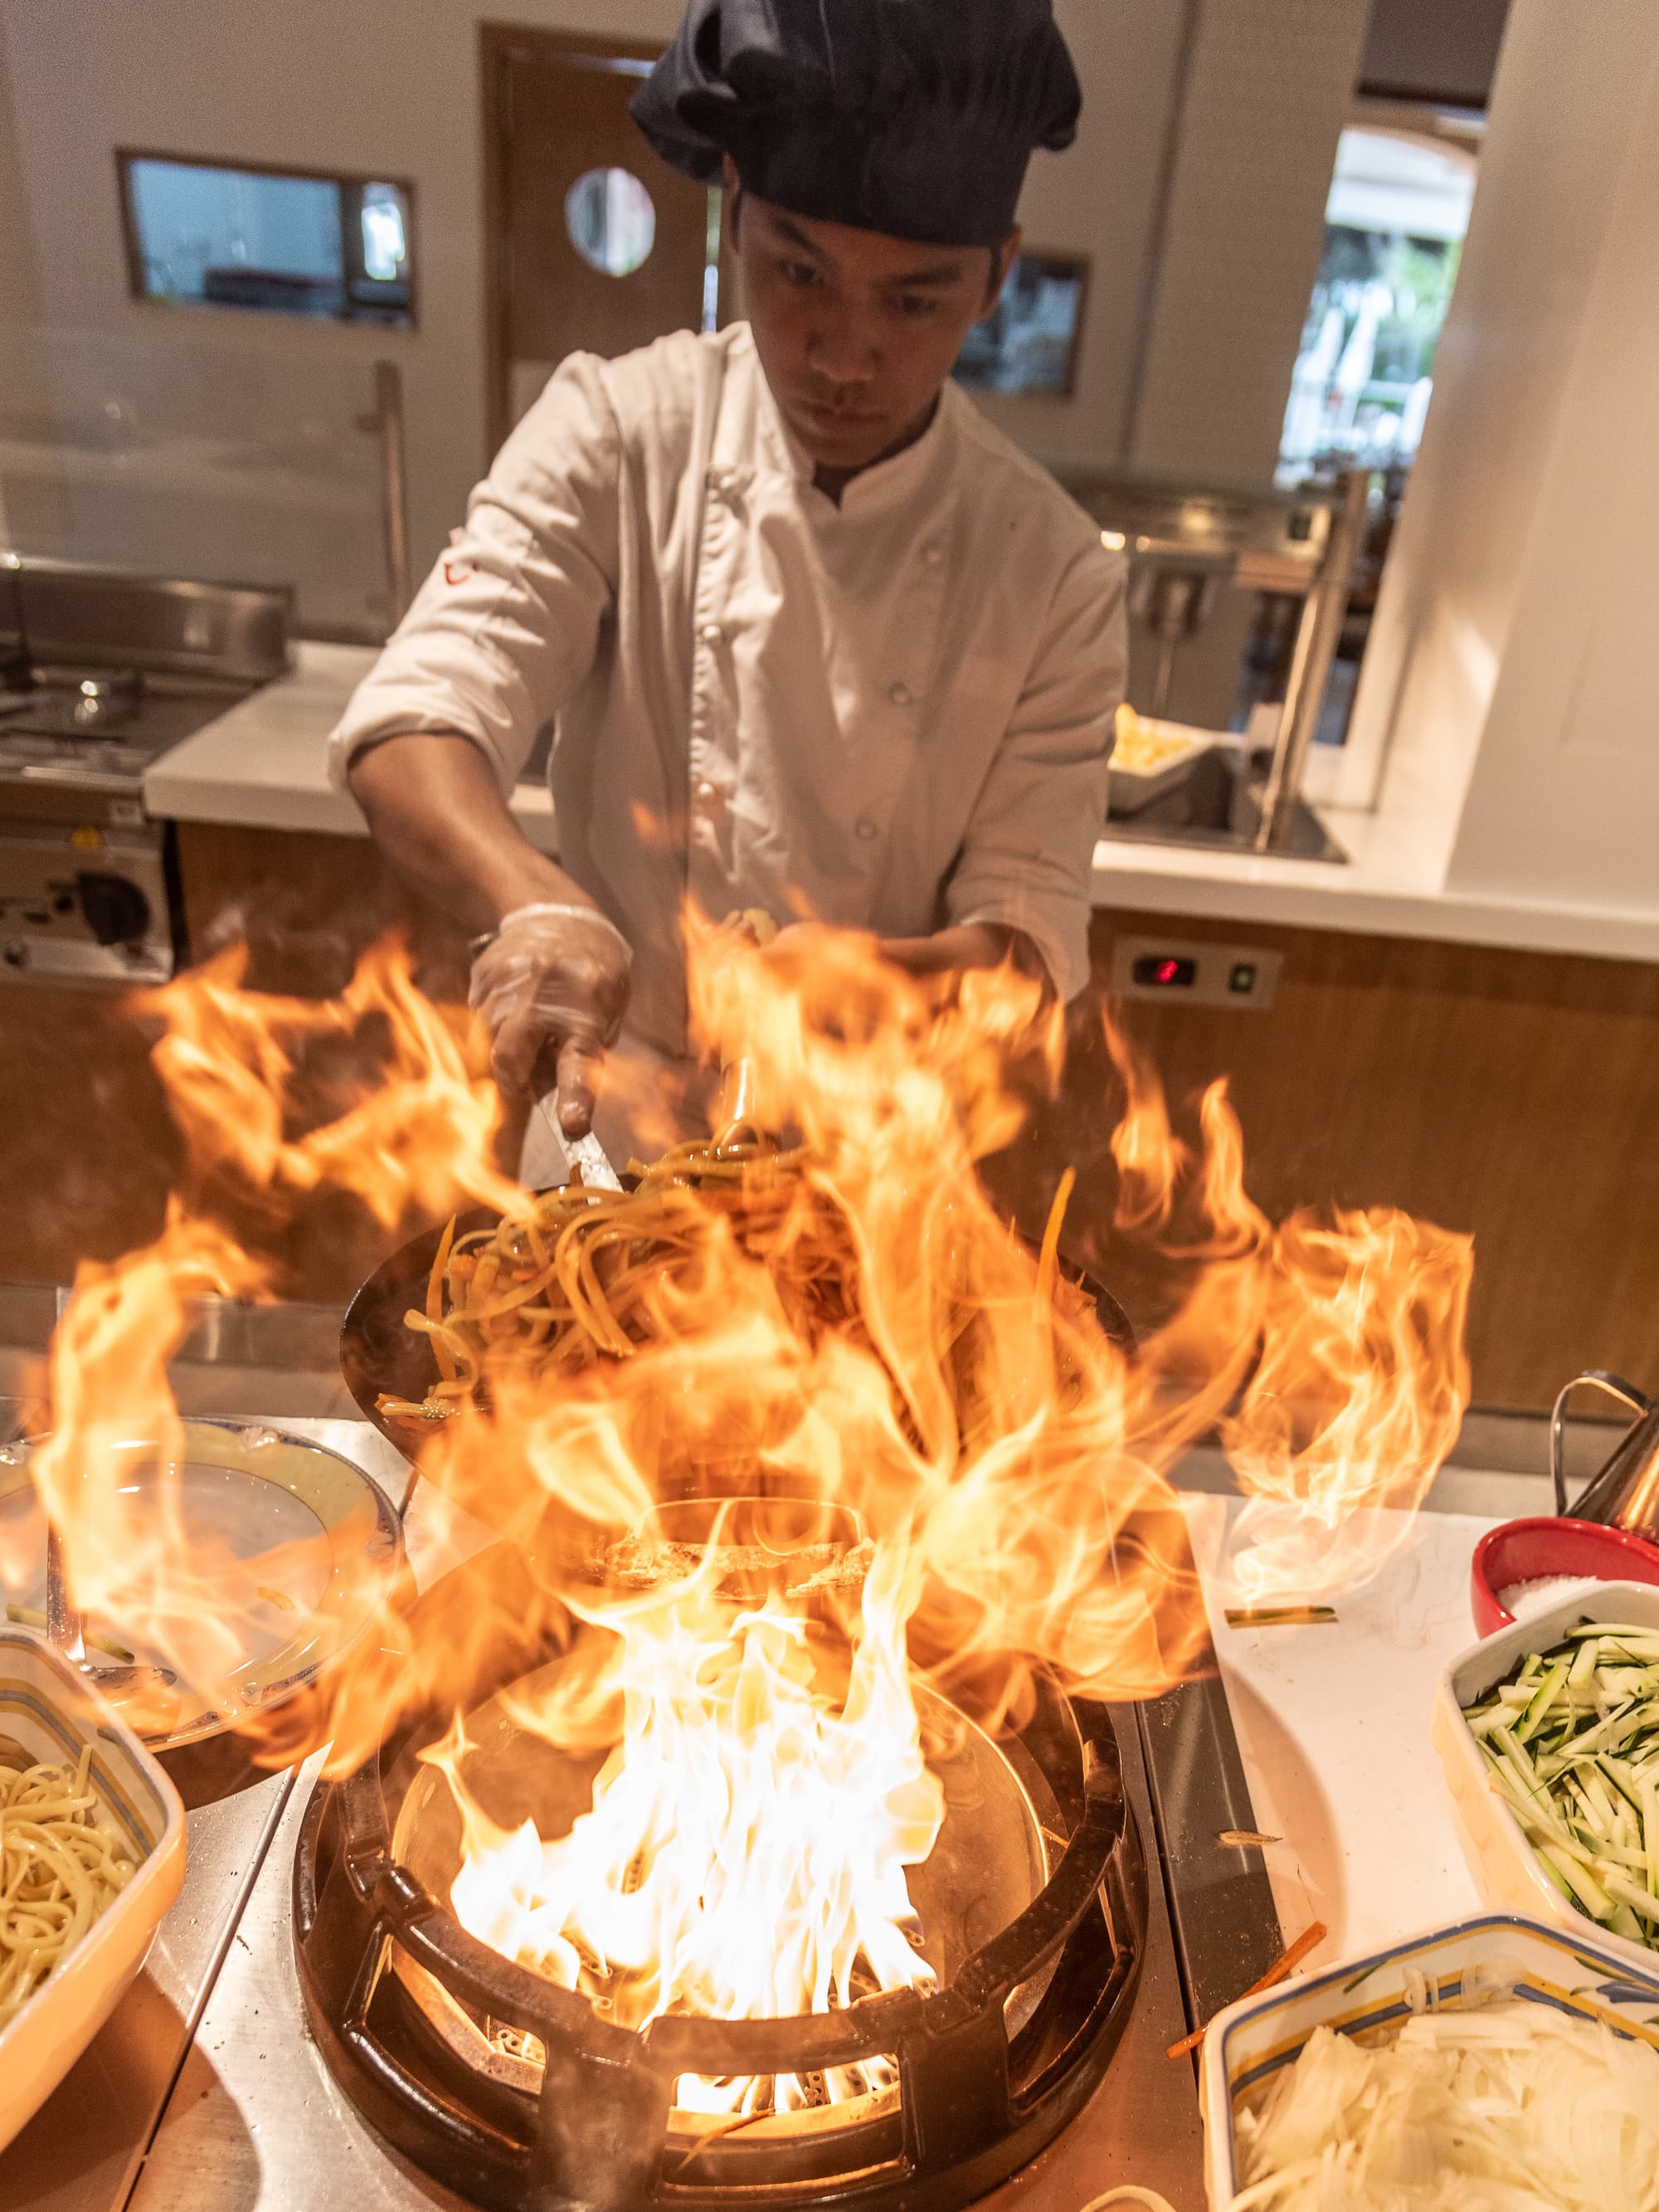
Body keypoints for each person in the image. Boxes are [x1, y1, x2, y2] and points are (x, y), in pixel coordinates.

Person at [331, 0, 1126, 1177]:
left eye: (914, 300)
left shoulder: (1051, 569)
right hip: (619, 1123)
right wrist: (538, 901)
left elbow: (1028, 938)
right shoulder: (619, 429)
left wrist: (849, 980)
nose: (844, 353)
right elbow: (414, 722)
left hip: (873, 1171)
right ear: (736, 209)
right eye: (797, 268)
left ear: (996, 276)